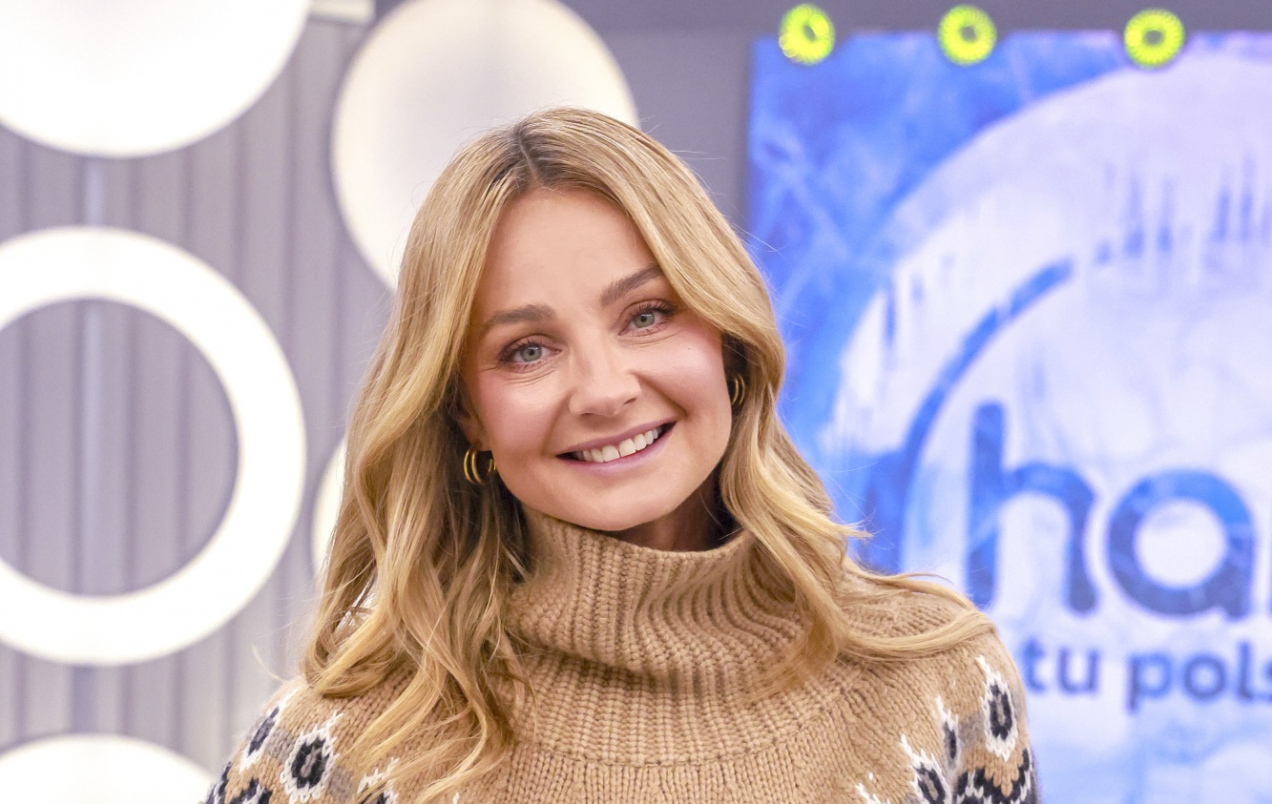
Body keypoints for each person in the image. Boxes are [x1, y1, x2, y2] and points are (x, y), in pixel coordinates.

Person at [206, 107, 1037, 804]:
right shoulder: (349, 742)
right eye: (528, 350)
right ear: (467, 414)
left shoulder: (935, 680)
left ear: (728, 338)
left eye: (647, 315)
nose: (604, 391)